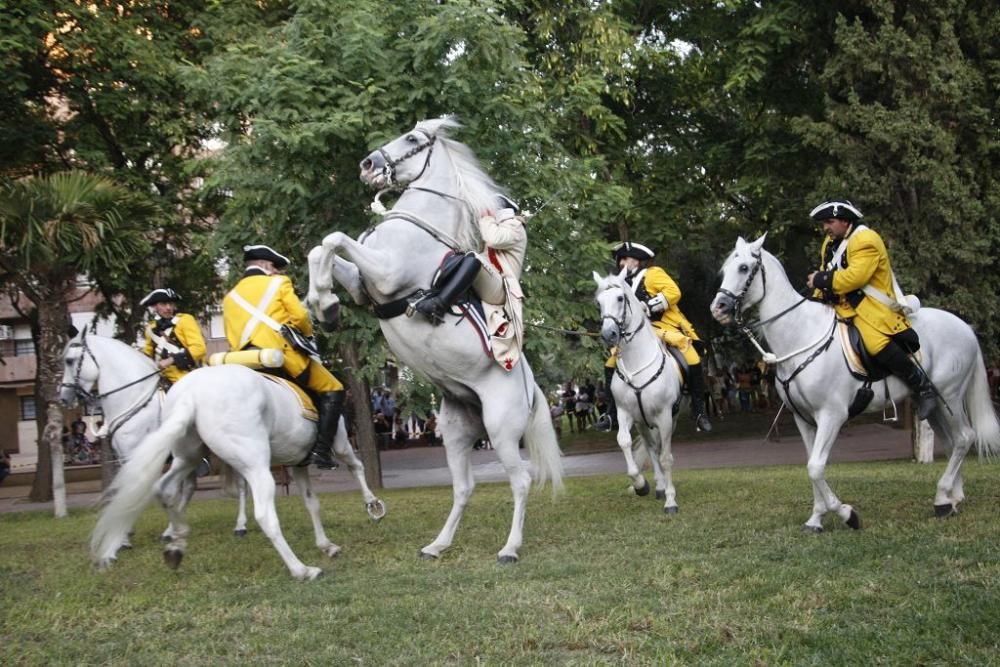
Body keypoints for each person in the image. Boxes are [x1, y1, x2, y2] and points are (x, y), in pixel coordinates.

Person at [806, 199, 936, 419]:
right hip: (840, 307)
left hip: (871, 308)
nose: (825, 228)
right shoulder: (830, 242)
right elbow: (826, 269)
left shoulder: (866, 239)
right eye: (823, 224)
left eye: (829, 221)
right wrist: (817, 299)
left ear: (846, 221)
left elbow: (855, 278)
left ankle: (923, 386)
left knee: (875, 344)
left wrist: (820, 279)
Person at [222, 244, 345, 469]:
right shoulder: (279, 283)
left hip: (245, 362)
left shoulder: (230, 297)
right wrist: (307, 334)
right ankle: (322, 452)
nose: (278, 272)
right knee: (334, 388)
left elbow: (231, 336)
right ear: (266, 265)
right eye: (276, 267)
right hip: (281, 357)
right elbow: (299, 317)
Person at [413, 197, 527, 370]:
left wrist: (486, 217)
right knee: (460, 257)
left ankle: (438, 304)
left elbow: (494, 238)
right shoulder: (503, 228)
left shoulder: (515, 226)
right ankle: (433, 293)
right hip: (492, 284)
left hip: (501, 290)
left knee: (474, 259)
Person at [611, 241, 713, 432]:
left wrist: (649, 306)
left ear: (637, 260)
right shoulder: (620, 285)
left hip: (663, 327)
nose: (622, 263)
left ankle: (699, 412)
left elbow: (674, 292)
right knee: (610, 362)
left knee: (692, 358)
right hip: (634, 334)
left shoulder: (653, 274)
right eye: (620, 260)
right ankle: (610, 415)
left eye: (626, 259)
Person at [140, 287, 206, 386]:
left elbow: (199, 348)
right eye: (163, 304)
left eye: (171, 304)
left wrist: (171, 360)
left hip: (187, 379)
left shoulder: (185, 320)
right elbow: (147, 355)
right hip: (159, 381)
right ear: (155, 307)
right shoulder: (150, 328)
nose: (168, 308)